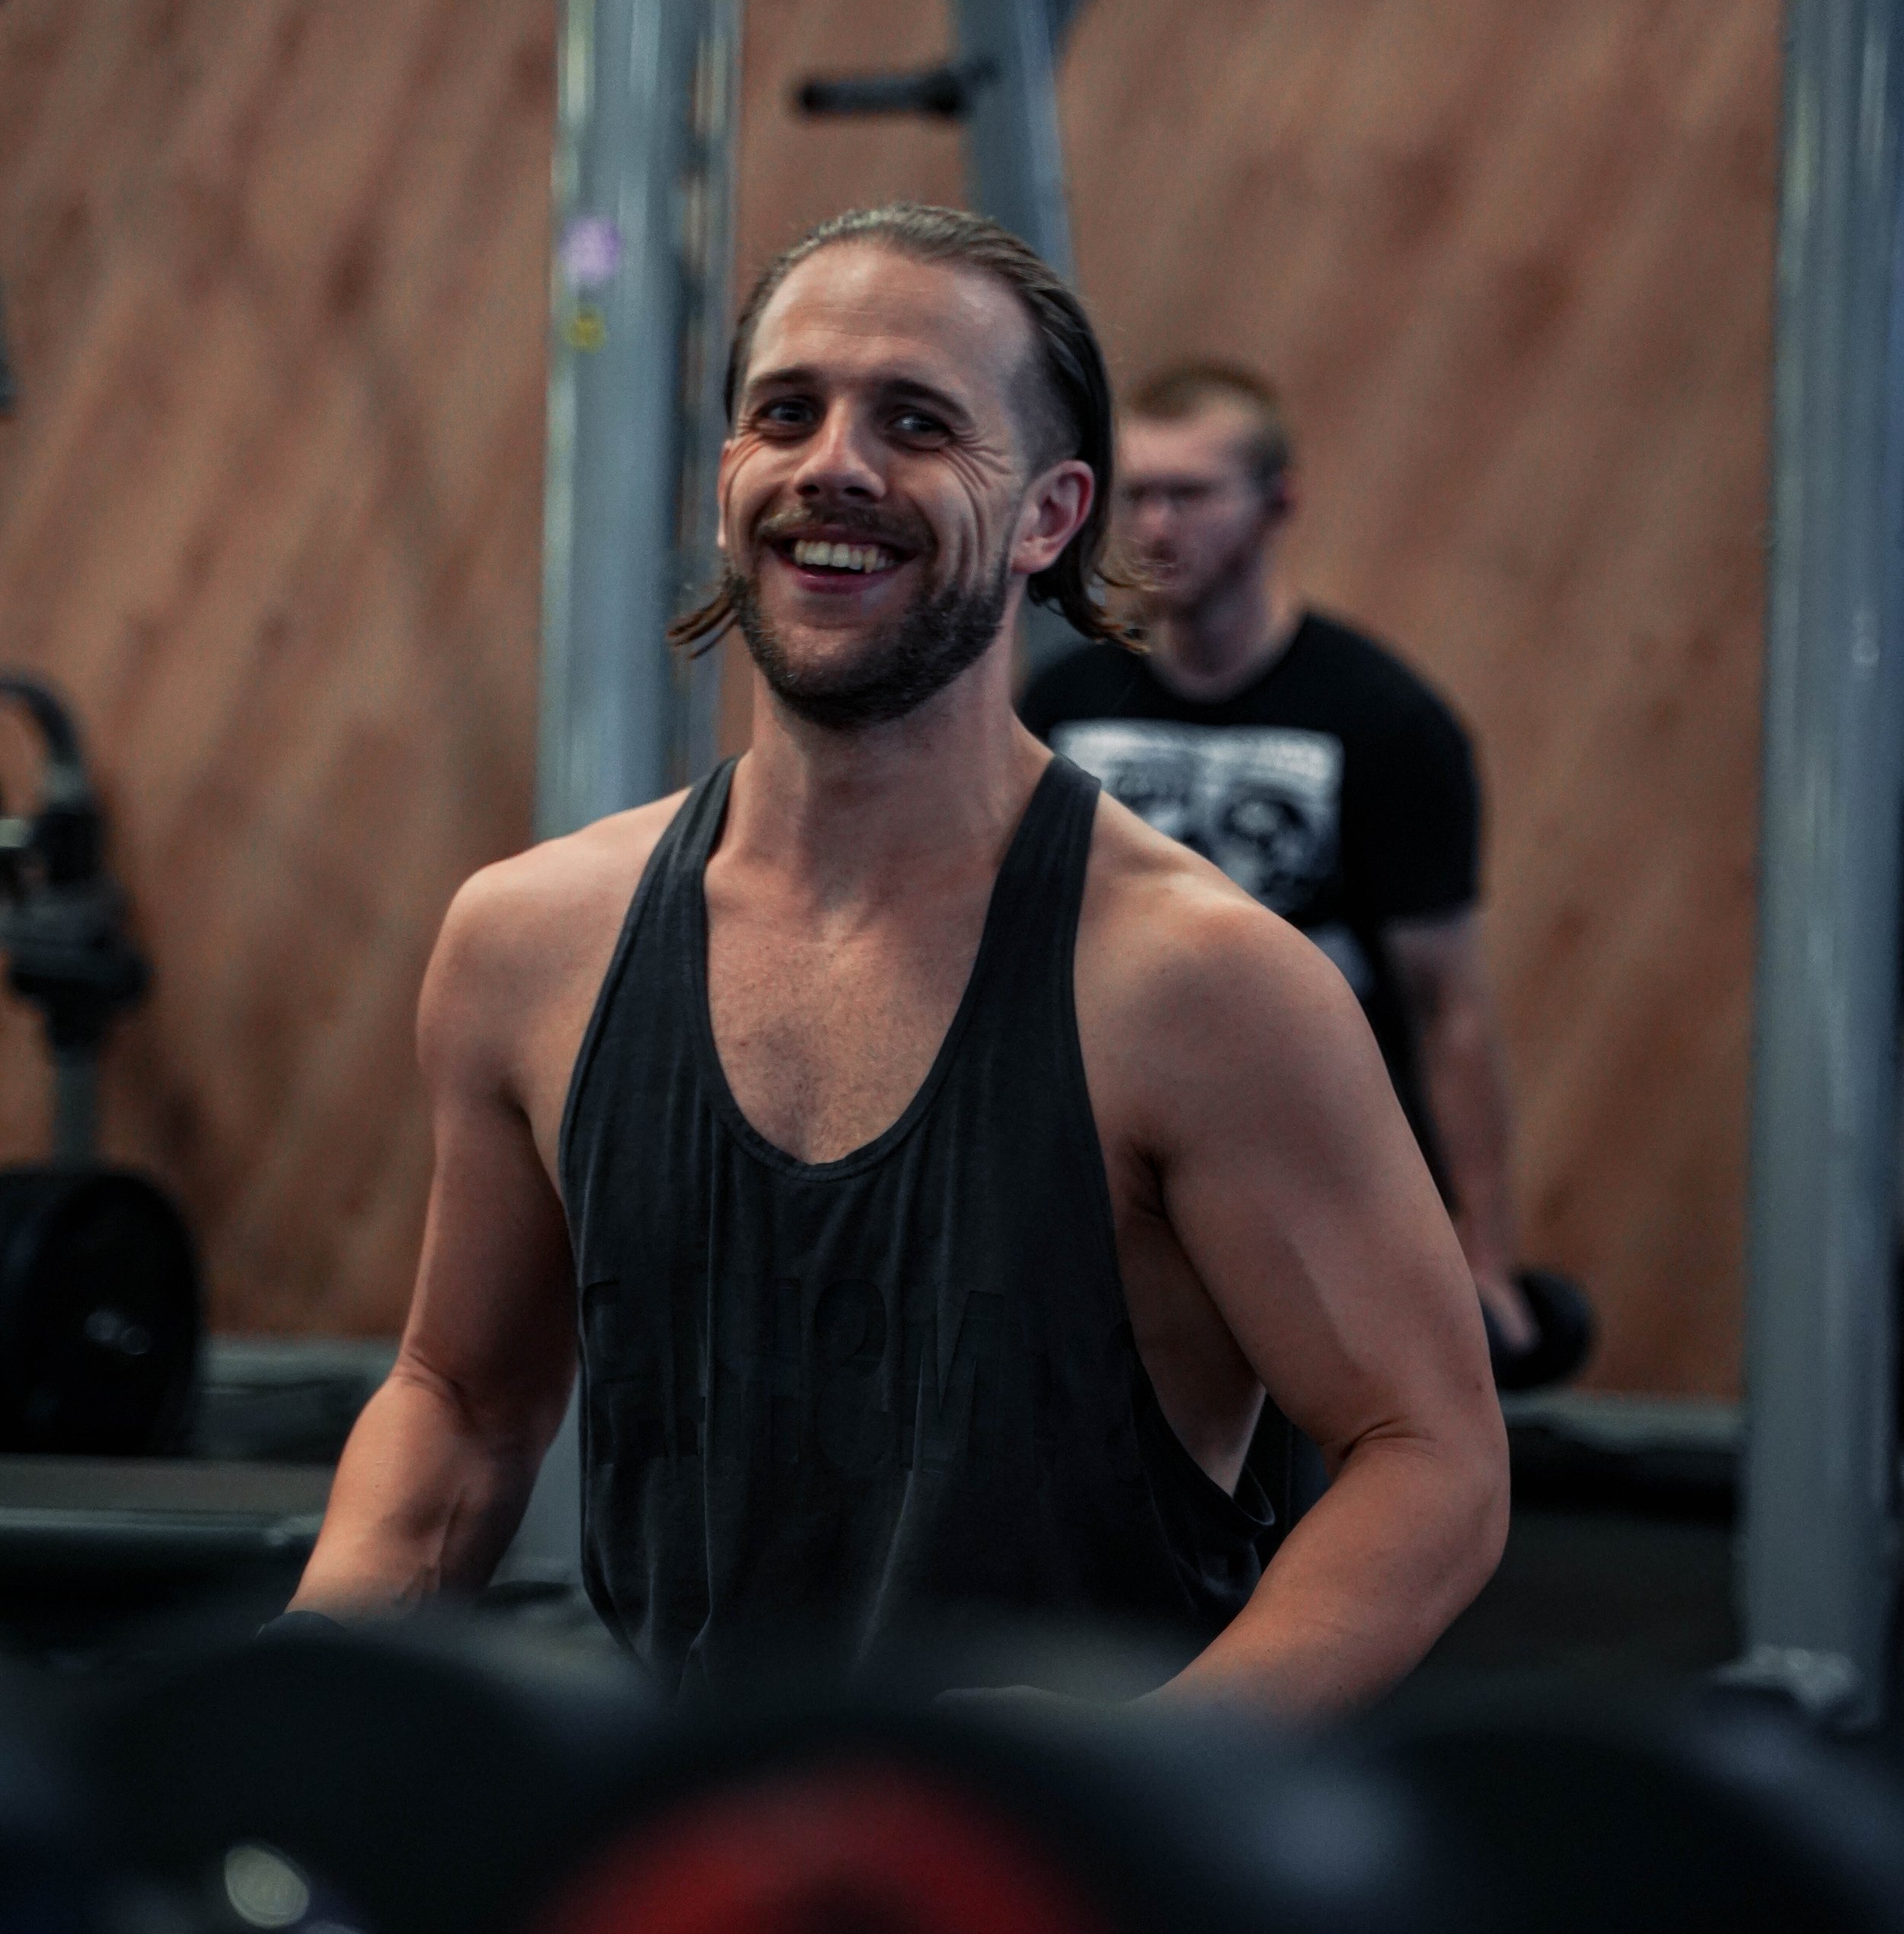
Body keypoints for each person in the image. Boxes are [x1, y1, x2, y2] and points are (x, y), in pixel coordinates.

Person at [287, 205, 1507, 1712]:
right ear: (731, 472)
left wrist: (1136, 1782)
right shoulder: (528, 941)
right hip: (700, 1873)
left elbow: (1427, 1463)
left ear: (1052, 516)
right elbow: (460, 1403)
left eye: (916, 423)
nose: (833, 465)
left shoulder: (1199, 985)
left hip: (1066, 1902)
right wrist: (297, 1702)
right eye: (783, 413)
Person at [1021, 364, 1536, 1358]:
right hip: (1110, 1183)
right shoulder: (1063, 708)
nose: (1159, 526)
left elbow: (1448, 1005)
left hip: (1325, 1183)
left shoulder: (1384, 721)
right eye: (1139, 494)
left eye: (1193, 493)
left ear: (1277, 503)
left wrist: (1484, 1254)